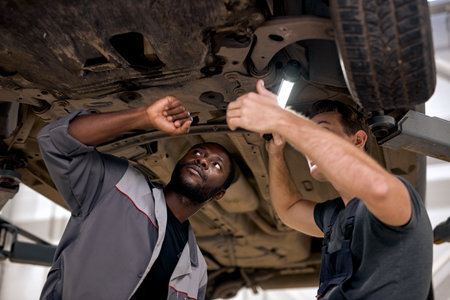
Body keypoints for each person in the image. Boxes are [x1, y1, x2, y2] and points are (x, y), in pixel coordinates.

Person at [226, 80, 433, 299]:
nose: (309, 146)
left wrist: (282, 118)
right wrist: (275, 153)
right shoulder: (335, 217)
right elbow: (289, 209)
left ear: (358, 140)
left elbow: (380, 189)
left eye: (322, 131)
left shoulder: (398, 197)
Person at [38, 96, 235, 300]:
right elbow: (56, 143)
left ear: (219, 193)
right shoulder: (118, 186)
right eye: (197, 152)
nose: (202, 160)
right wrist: (144, 117)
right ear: (180, 160)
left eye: (216, 165)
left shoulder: (197, 271)